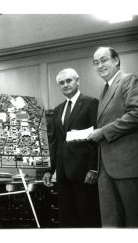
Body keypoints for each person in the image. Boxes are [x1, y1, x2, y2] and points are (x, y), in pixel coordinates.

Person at [88, 47, 138, 228]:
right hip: (107, 168)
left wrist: (103, 132)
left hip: (129, 166)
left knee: (135, 223)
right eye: (96, 62)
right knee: (110, 224)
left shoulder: (129, 80)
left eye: (104, 60)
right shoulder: (104, 90)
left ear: (116, 60)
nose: (100, 65)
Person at [43, 68, 101, 227]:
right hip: (62, 175)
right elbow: (55, 142)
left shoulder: (91, 103)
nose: (65, 85)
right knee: (67, 220)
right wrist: (49, 169)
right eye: (61, 83)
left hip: (84, 174)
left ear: (77, 81)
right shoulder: (57, 110)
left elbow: (97, 139)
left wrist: (94, 168)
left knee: (88, 218)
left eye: (69, 81)